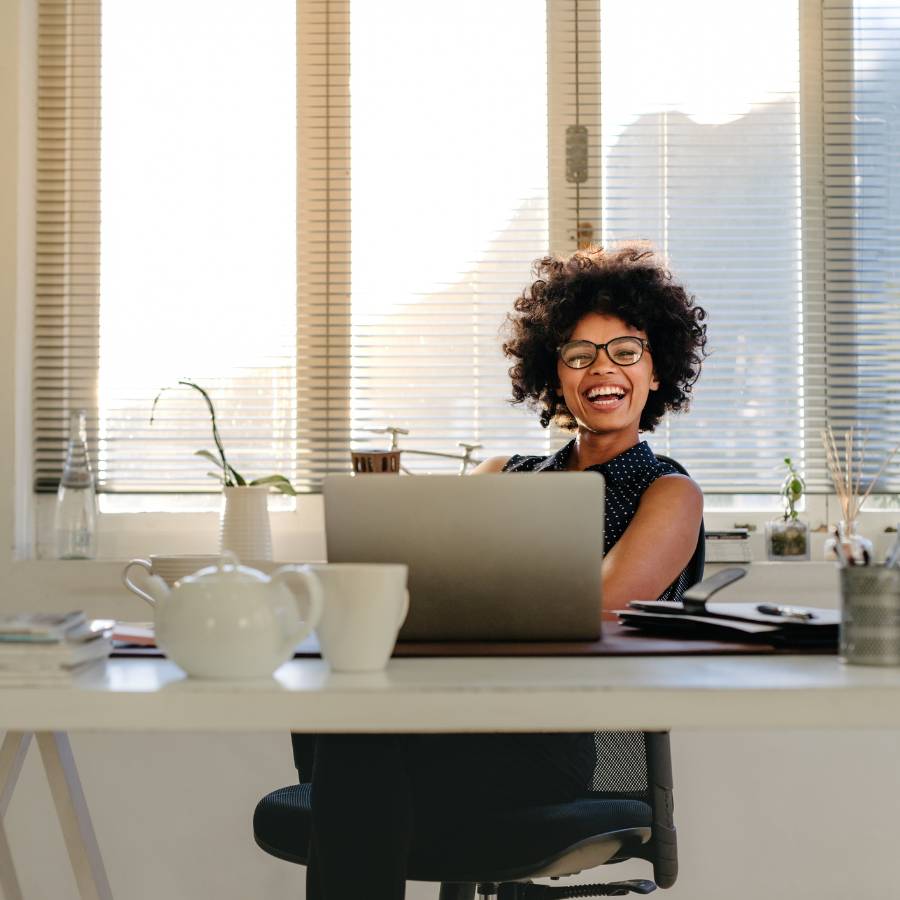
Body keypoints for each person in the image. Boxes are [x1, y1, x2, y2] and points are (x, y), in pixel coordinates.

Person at [305, 245, 708, 900]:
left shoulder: (667, 493)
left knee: (354, 758)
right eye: (580, 354)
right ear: (555, 374)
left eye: (626, 351)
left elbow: (594, 611)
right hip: (442, 719)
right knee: (351, 735)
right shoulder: (502, 474)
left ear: (657, 370)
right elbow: (432, 591)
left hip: (543, 743)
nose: (603, 369)